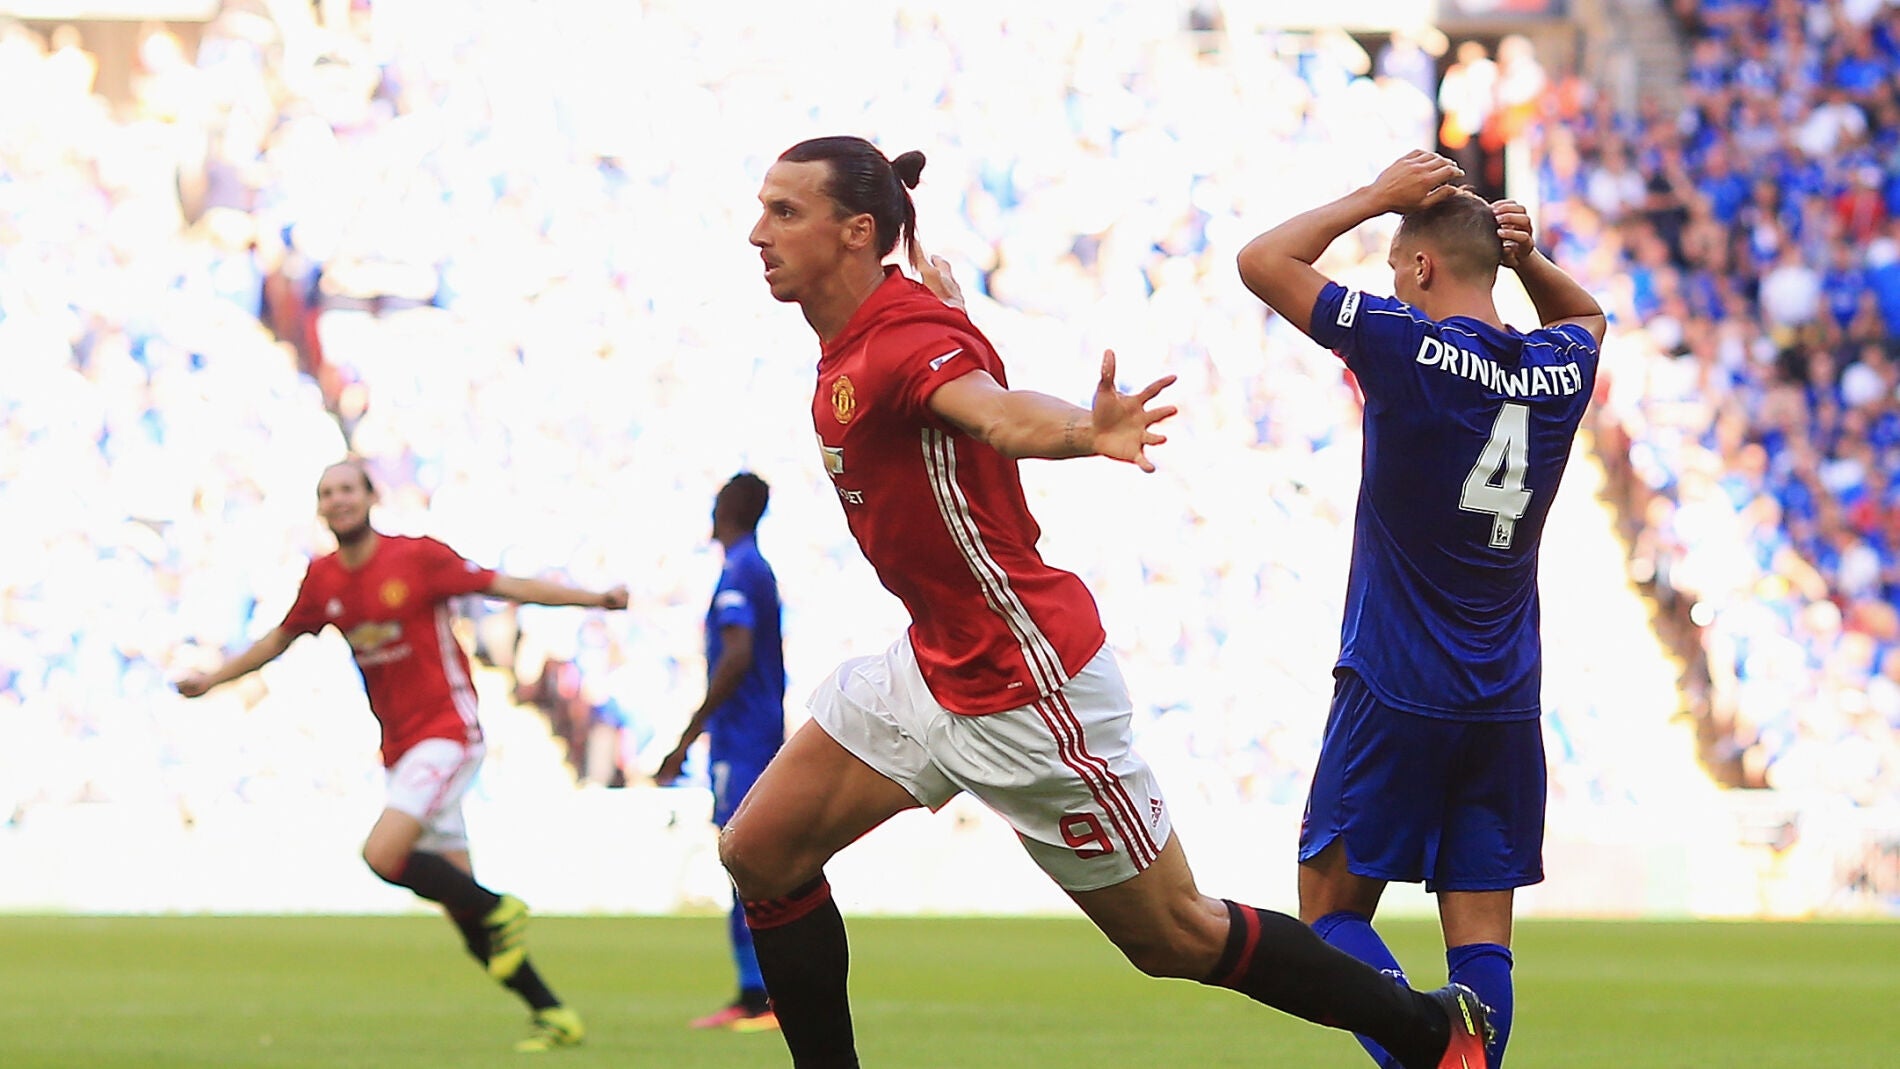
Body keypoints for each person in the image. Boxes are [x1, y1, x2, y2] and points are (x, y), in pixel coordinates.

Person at [718, 134, 1490, 1069]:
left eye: (784, 212)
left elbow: (997, 413)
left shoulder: (900, 345)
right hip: (934, 662)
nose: (758, 231)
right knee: (761, 853)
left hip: (1024, 681)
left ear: (856, 233)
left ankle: (1432, 1032)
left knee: (1176, 935)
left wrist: (1090, 429)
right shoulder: (888, 319)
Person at [1235, 149, 1607, 1069]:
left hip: (1396, 682)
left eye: (1398, 261)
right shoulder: (1561, 366)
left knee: (1327, 918)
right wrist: (1527, 259)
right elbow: (1588, 314)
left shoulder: (1404, 343)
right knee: (1483, 939)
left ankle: (1425, 1050)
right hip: (1507, 694)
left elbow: (1262, 262)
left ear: (1422, 268)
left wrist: (1373, 198)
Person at [175, 458, 630, 1053]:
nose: (337, 500)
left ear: (370, 497)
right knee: (462, 910)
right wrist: (213, 680)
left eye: (347, 489)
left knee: (384, 854)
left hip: (448, 729)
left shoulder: (417, 558)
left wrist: (593, 598)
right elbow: (276, 642)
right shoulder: (323, 579)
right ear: (320, 508)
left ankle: (502, 907)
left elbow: (505, 585)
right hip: (401, 746)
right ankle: (551, 1013)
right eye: (326, 493)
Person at [655, 471, 788, 1032]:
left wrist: (687, 735)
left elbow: (736, 654)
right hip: (747, 735)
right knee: (749, 859)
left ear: (727, 507)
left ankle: (764, 994)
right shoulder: (751, 567)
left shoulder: (741, 570)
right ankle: (758, 991)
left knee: (748, 858)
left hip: (745, 737)